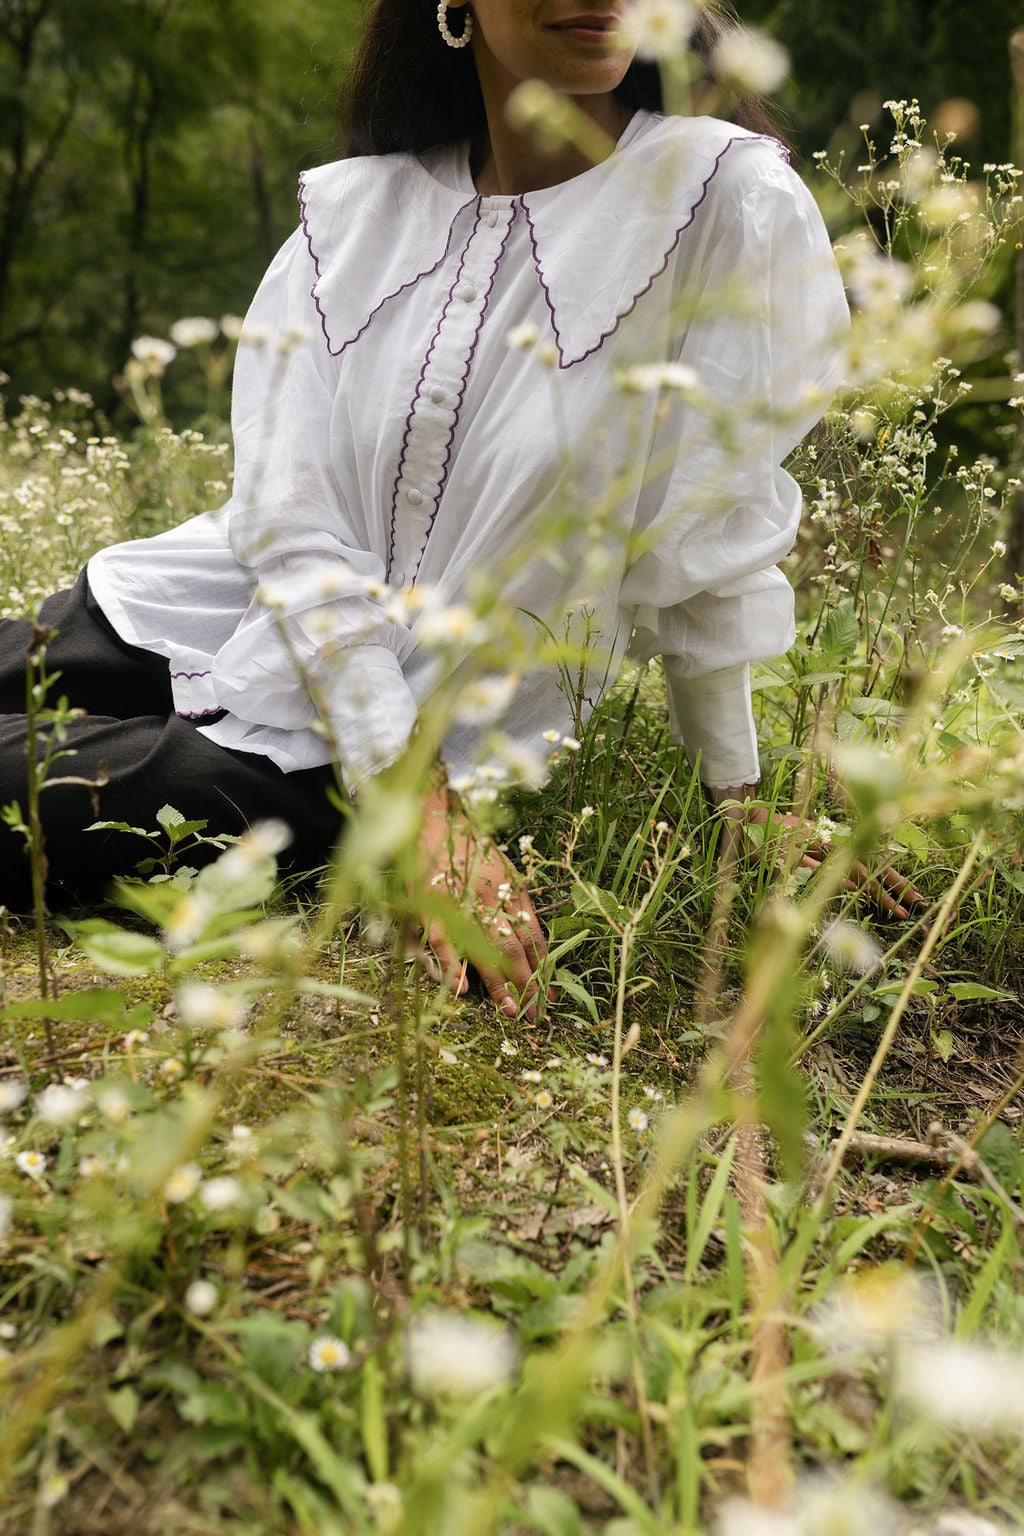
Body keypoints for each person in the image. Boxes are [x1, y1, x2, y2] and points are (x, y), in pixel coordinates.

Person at [0, 1, 912, 1016]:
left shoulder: (723, 198)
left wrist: (738, 804)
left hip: (333, 759)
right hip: (187, 612)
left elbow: (705, 530)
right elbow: (287, 524)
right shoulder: (350, 218)